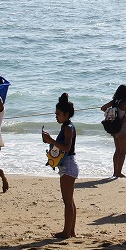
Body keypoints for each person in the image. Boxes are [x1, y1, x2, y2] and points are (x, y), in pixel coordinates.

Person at [41, 93, 78, 238]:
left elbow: (67, 148)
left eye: (58, 114)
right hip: (68, 165)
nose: (56, 116)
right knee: (70, 201)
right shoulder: (66, 126)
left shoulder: (68, 127)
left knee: (67, 202)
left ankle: (66, 232)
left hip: (68, 165)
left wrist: (50, 139)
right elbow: (61, 147)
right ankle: (71, 231)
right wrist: (49, 141)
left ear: (66, 114)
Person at [100, 84, 126, 178]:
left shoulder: (114, 101)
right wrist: (124, 117)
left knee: (117, 150)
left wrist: (111, 114)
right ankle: (119, 172)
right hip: (122, 127)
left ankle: (115, 171)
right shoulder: (124, 103)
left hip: (114, 127)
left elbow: (103, 108)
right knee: (123, 151)